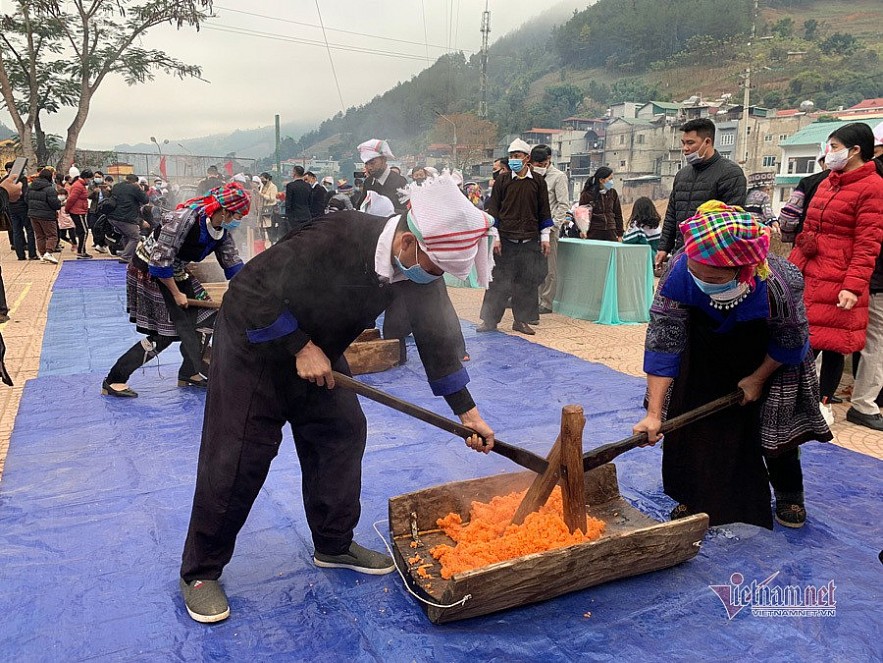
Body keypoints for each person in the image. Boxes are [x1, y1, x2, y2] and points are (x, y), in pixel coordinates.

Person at [178, 174, 497, 624]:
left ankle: (333, 542)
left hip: (320, 355)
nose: (436, 277)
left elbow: (438, 340)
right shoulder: (336, 235)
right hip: (256, 349)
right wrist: (298, 345)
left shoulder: (419, 272)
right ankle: (200, 570)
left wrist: (469, 413)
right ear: (407, 243)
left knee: (341, 431)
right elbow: (248, 289)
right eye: (436, 267)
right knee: (237, 456)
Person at [634, 201, 832, 529]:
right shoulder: (679, 271)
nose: (699, 279)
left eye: (711, 276)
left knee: (773, 427)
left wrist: (757, 379)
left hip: (768, 354)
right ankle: (692, 495)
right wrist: (654, 413)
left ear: (744, 270)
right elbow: (663, 341)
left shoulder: (780, 283)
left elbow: (790, 342)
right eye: (695, 271)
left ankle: (788, 490)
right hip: (705, 347)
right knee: (688, 421)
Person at [101, 184, 248, 398]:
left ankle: (190, 372)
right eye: (238, 215)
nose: (239, 220)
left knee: (208, 319)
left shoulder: (221, 232)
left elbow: (233, 264)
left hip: (176, 271)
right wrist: (177, 294)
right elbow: (160, 262)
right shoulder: (184, 219)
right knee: (165, 333)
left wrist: (250, 290)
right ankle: (115, 379)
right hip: (149, 270)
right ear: (224, 210)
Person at [789, 122, 883, 425]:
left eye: (834, 146)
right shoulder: (830, 181)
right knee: (803, 339)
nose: (829, 153)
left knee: (831, 343)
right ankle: (795, 399)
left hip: (839, 278)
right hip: (812, 272)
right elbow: (809, 226)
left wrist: (852, 286)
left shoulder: (872, 187)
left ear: (855, 150)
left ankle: (822, 403)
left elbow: (868, 243)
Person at [478, 139, 552, 336]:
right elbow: (494, 210)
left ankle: (521, 321)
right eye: (511, 156)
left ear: (527, 158)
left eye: (517, 156)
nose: (513, 160)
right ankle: (489, 320)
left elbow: (544, 211)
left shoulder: (538, 182)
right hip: (506, 240)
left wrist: (545, 237)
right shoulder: (502, 181)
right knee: (498, 281)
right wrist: (496, 237)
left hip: (529, 240)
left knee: (526, 282)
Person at [656, 118, 747, 270]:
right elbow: (672, 214)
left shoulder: (730, 173)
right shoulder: (682, 175)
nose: (685, 148)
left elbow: (732, 221)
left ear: (707, 142)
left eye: (690, 143)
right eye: (683, 143)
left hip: (712, 259)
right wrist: (664, 247)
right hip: (681, 253)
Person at [530, 145, 570, 314]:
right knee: (533, 266)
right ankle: (534, 299)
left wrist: (553, 225)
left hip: (550, 229)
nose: (539, 166)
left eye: (542, 163)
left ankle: (546, 302)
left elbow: (563, 205)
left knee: (549, 267)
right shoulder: (530, 175)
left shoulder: (558, 177)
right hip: (532, 228)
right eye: (535, 163)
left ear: (548, 160)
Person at [777, 146, 829, 244]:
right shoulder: (858, 183)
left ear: (824, 162)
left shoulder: (809, 182)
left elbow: (789, 215)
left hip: (806, 244)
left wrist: (789, 236)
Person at [354, 139, 408, 214]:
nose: (369, 167)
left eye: (372, 163)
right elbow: (360, 206)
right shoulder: (368, 182)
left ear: (383, 160)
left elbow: (406, 211)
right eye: (366, 164)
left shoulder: (399, 181)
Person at [108, 173, 150, 263]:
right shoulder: (134, 188)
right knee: (135, 237)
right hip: (126, 218)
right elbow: (145, 200)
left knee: (126, 235)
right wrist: (140, 189)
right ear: (135, 182)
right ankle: (126, 256)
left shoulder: (116, 186)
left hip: (113, 217)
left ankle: (128, 254)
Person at [3, 161, 37, 261]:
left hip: (11, 208)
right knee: (29, 230)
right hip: (23, 207)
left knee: (16, 231)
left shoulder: (4, 180)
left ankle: (20, 255)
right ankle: (32, 254)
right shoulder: (22, 179)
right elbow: (25, 194)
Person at [578, 166, 623, 242]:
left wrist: (620, 234)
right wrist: (582, 230)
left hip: (611, 232)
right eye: (610, 179)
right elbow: (581, 215)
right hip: (594, 232)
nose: (612, 181)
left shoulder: (612, 193)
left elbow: (618, 214)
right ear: (601, 180)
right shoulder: (587, 194)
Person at [26, 168, 62, 264]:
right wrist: (60, 204)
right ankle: (49, 252)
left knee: (39, 235)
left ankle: (42, 254)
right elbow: (54, 204)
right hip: (47, 215)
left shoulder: (30, 187)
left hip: (33, 214)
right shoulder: (50, 189)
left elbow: (26, 199)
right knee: (52, 235)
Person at [65, 168, 93, 259]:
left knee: (82, 232)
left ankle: (82, 250)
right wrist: (67, 209)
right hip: (78, 211)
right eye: (89, 179)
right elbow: (71, 199)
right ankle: (81, 251)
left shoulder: (80, 185)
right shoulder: (78, 186)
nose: (90, 181)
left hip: (80, 210)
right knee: (84, 231)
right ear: (85, 178)